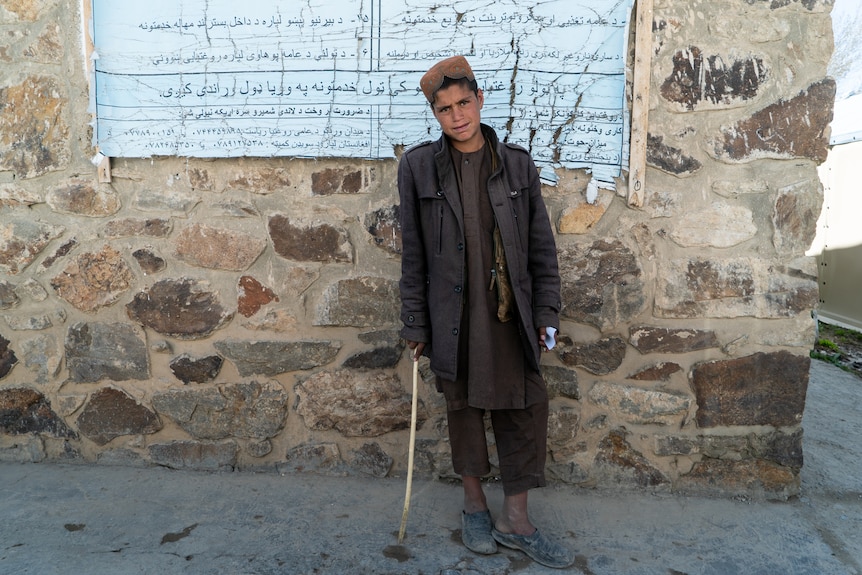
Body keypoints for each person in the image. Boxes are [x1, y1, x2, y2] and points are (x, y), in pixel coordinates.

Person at [397, 55, 574, 569]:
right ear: (435, 114)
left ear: (480, 100)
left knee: (524, 408)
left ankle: (515, 520)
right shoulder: (418, 167)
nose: (457, 116)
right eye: (445, 108)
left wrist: (546, 311)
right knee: (464, 409)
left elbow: (542, 249)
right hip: (453, 317)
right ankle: (474, 506)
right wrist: (415, 322)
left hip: (509, 313)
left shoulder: (517, 165)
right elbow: (413, 254)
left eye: (464, 103)